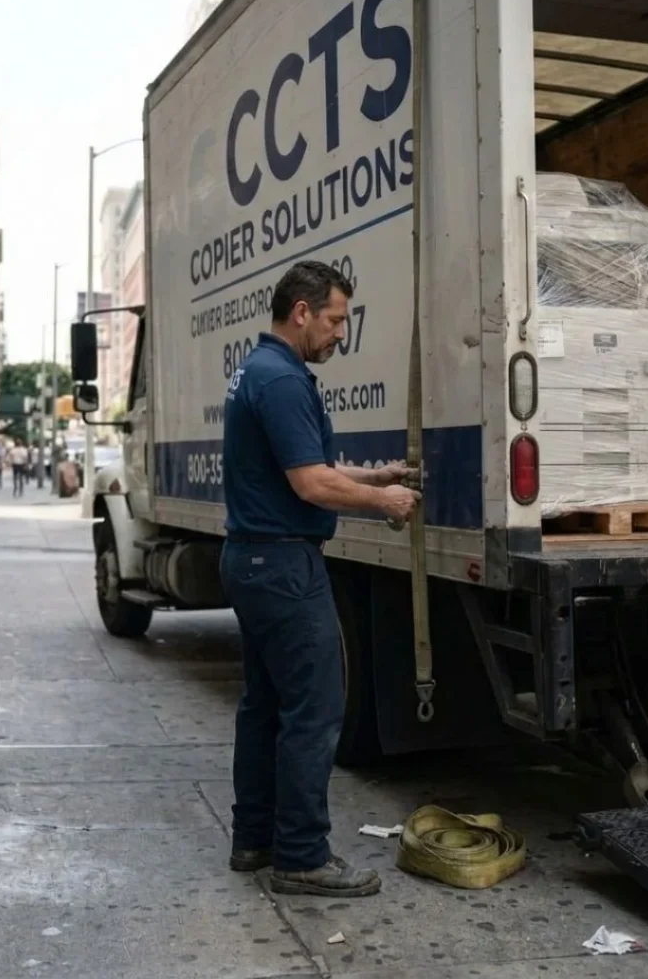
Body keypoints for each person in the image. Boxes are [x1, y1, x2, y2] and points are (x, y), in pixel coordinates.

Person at [220, 261, 418, 898]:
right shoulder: (281, 380)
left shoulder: (260, 369)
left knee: (266, 705)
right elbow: (309, 484)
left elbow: (307, 471)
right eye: (335, 319)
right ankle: (302, 855)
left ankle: (254, 838)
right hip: (281, 564)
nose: (340, 333)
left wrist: (373, 477)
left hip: (254, 559)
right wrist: (383, 504)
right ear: (301, 312)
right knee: (315, 709)